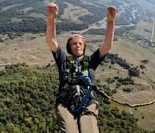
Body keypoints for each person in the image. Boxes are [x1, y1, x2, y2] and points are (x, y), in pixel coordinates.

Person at [46, 2, 116, 133]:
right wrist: (51, 19)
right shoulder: (63, 59)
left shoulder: (91, 61)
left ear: (84, 46)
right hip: (65, 102)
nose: (77, 46)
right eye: (73, 44)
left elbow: (107, 45)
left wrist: (111, 22)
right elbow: (51, 41)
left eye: (80, 43)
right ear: (69, 47)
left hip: (88, 102)